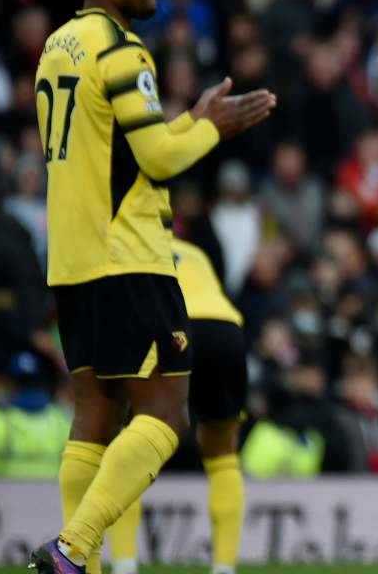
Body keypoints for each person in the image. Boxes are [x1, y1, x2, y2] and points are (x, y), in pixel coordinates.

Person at [29, 0, 275, 574]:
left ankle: (81, 561)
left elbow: (111, 150)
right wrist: (209, 128)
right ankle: (72, 549)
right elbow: (159, 161)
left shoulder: (57, 47)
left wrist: (187, 118)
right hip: (128, 256)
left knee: (94, 415)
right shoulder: (123, 50)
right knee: (165, 416)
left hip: (72, 259)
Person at [106, 237, 250, 574]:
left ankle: (125, 564)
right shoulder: (194, 250)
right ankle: (224, 568)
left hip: (171, 327)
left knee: (130, 443)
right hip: (225, 330)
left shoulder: (122, 244)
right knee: (222, 451)